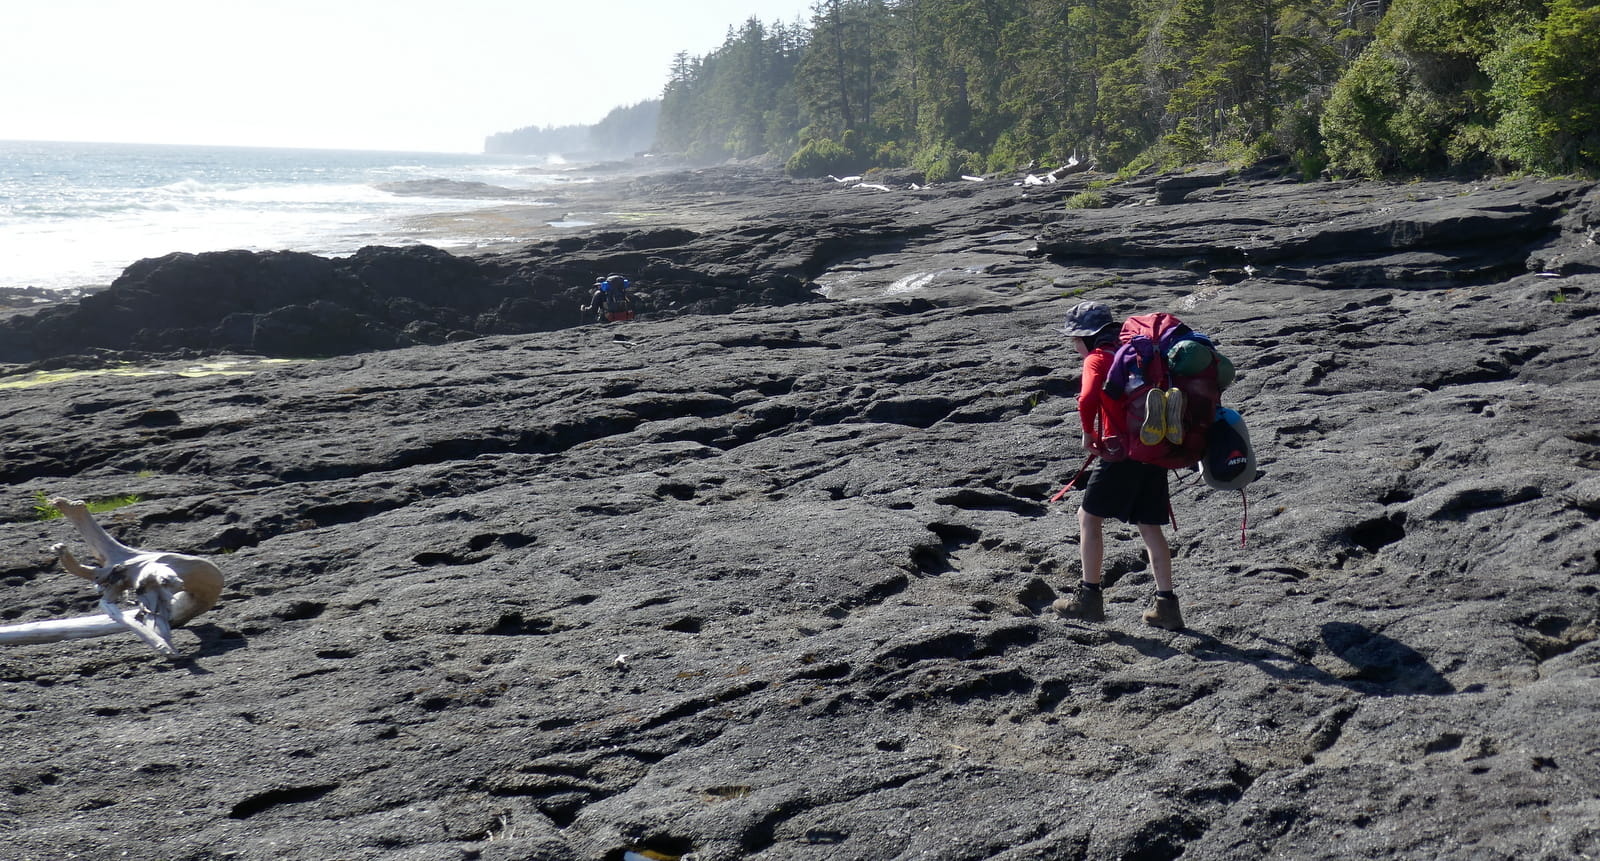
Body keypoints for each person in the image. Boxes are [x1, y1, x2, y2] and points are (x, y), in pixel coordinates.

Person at [1051, 300, 1184, 631]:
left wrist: (1088, 434)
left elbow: (1086, 399)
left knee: (1088, 517)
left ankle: (1089, 599)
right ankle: (1167, 607)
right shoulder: (1136, 353)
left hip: (1121, 452)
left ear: (1087, 338)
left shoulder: (1098, 358)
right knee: (1149, 526)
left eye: (1074, 340)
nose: (1074, 346)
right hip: (1154, 447)